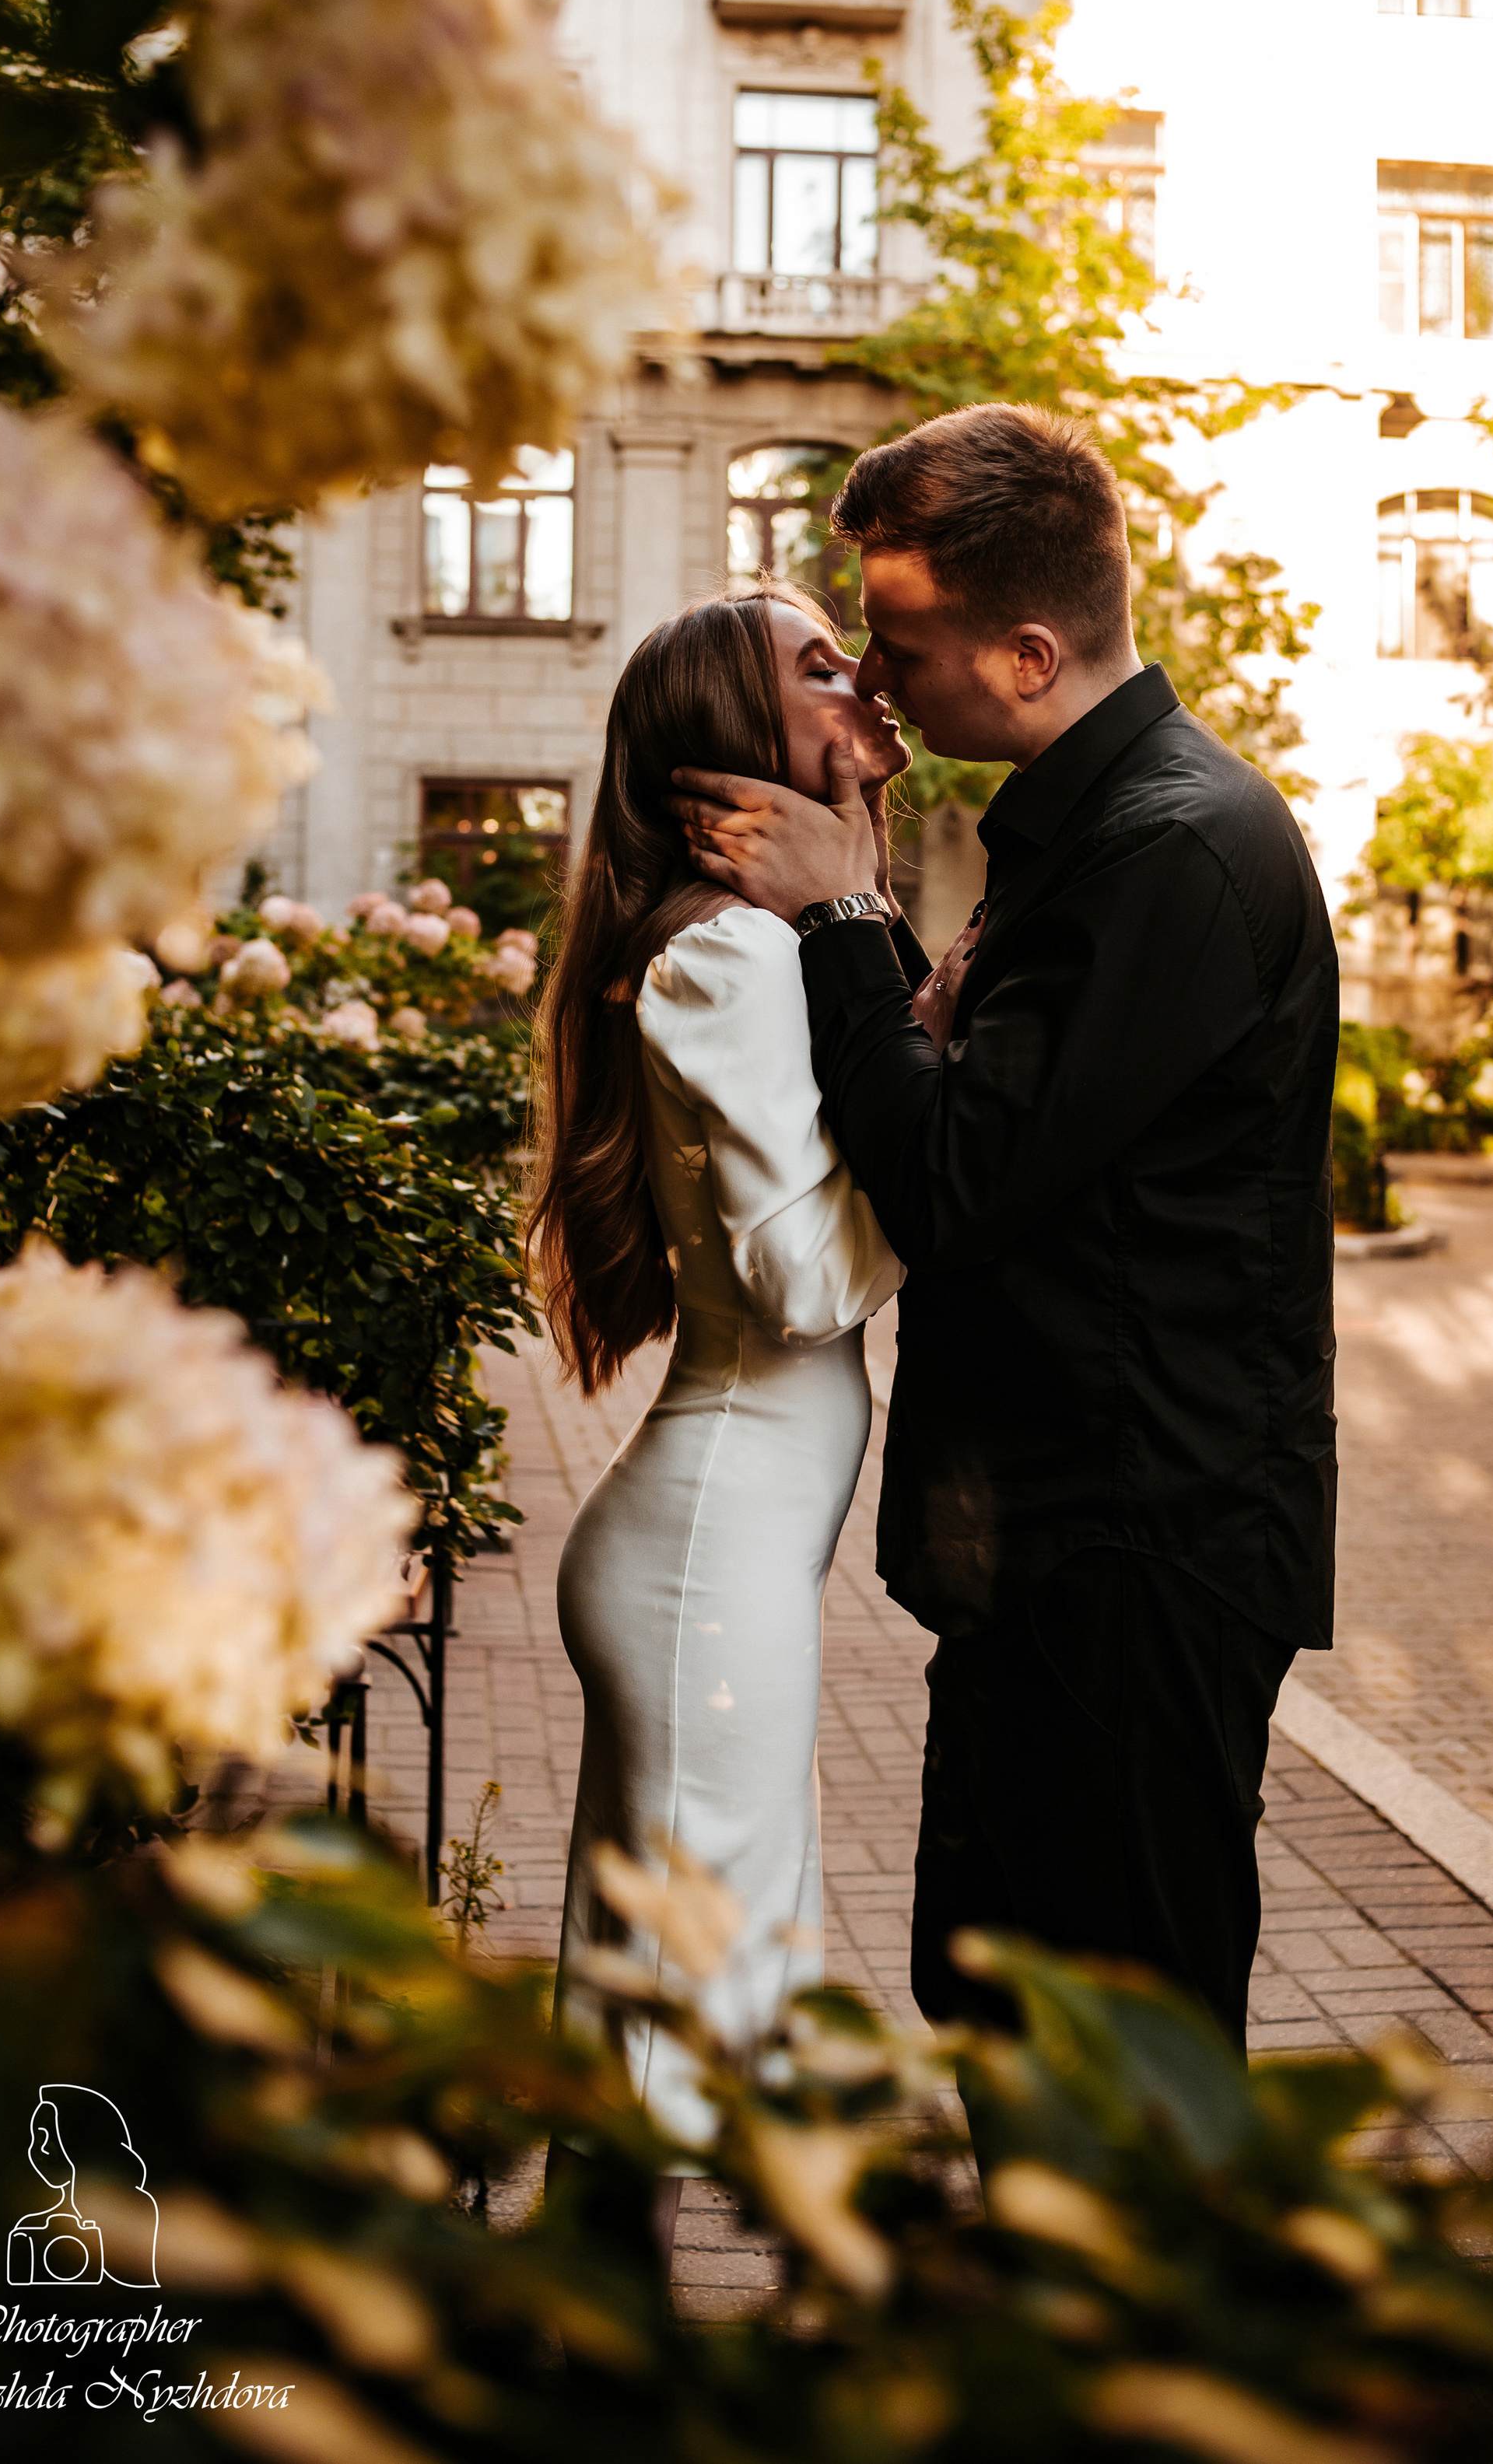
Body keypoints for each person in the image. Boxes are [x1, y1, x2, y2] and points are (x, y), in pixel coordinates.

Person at [674, 403, 1338, 2054]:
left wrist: (836, 914)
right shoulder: (1083, 832)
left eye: (895, 643)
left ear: (1029, 653)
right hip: (1056, 1545)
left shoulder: (1169, 851)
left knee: (1113, 2060)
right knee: (990, 1999)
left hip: (1134, 1553)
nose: (876, 680)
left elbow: (954, 1181)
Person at [527, 583, 910, 2217]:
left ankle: (573, 2362)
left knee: (652, 2011)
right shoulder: (735, 952)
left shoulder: (780, 937)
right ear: (737, 751)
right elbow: (805, 1281)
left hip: (710, 1558)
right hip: (701, 1568)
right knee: (705, 2019)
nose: (865, 676)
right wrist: (946, 1134)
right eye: (819, 667)